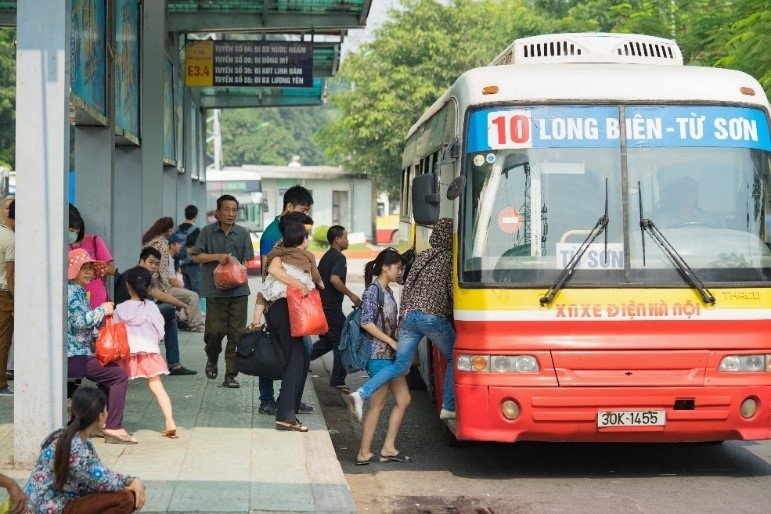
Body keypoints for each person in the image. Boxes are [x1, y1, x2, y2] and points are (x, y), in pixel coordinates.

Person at [348, 217, 456, 421]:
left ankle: (360, 394)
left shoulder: (422, 256)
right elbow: (451, 292)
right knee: (454, 356)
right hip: (432, 318)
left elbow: (407, 288)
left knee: (400, 366)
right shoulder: (449, 259)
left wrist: (402, 318)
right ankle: (448, 407)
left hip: (410, 317)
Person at [25, 387, 145, 514]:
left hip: (55, 502)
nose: (107, 413)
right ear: (99, 416)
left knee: (126, 494)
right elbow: (101, 480)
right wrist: (132, 481)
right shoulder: (75, 448)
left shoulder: (70, 435)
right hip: (49, 508)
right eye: (106, 409)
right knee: (125, 499)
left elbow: (100, 471)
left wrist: (129, 481)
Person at [66, 249, 136, 444]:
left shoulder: (77, 289)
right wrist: (102, 309)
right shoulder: (72, 291)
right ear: (73, 271)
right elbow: (80, 322)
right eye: (83, 269)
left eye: (90, 268)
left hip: (80, 351)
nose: (88, 272)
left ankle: (99, 424)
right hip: (75, 354)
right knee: (118, 376)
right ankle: (114, 427)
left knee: (109, 375)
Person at [261, 221, 324, 431]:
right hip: (284, 310)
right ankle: (286, 416)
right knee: (294, 361)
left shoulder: (301, 257)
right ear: (302, 239)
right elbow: (273, 270)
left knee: (301, 358)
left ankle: (290, 410)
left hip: (287, 311)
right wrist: (299, 284)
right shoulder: (281, 255)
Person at [257, 185, 313, 413]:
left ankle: (288, 399)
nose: (306, 214)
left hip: (295, 304)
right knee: (272, 351)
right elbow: (266, 269)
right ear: (288, 206)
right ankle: (268, 399)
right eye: (302, 208)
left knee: (297, 353)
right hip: (278, 303)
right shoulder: (272, 234)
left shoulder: (295, 229)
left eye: (308, 210)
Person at [353, 248, 412, 464]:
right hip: (377, 354)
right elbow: (366, 322)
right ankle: (363, 453)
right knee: (378, 403)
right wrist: (389, 340)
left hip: (390, 355)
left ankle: (388, 447)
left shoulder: (387, 291)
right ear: (385, 267)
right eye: (397, 267)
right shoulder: (373, 291)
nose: (399, 272)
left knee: (404, 399)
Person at [191, 195, 254, 389]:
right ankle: (212, 356)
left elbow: (246, 261)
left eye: (234, 210)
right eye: (227, 209)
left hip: (239, 291)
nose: (231, 213)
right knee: (214, 332)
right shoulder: (207, 232)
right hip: (215, 291)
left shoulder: (243, 233)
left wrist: (236, 273)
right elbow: (196, 257)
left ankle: (230, 375)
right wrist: (217, 257)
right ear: (218, 212)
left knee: (236, 334)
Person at [114, 267, 178, 439]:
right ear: (149, 287)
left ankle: (114, 423)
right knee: (158, 388)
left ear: (128, 286)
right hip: (149, 351)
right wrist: (155, 341)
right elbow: (160, 330)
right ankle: (170, 422)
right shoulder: (151, 307)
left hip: (126, 353)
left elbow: (115, 330)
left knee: (119, 388)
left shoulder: (119, 309)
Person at [114, 248, 197, 376]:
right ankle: (174, 364)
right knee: (169, 310)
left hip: (133, 315)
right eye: (151, 262)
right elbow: (162, 296)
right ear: (141, 260)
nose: (154, 267)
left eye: (157, 264)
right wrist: (185, 306)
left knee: (170, 316)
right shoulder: (138, 276)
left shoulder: (136, 274)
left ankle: (174, 364)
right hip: (129, 317)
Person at [309, 226, 361, 395]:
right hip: (331, 309)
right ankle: (338, 380)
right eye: (345, 237)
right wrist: (351, 295)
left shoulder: (326, 256)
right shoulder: (339, 257)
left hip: (323, 306)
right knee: (342, 342)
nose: (347, 240)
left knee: (327, 342)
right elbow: (334, 279)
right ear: (337, 239)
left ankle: (300, 359)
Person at [68, 205, 116, 310]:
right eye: (71, 230)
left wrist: (91, 269)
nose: (74, 234)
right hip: (72, 301)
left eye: (77, 231)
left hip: (96, 300)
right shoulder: (60, 246)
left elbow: (111, 269)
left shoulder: (94, 241)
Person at [164, 232, 204, 332]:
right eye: (179, 244)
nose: (181, 246)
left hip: (166, 288)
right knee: (193, 295)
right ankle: (195, 324)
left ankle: (187, 319)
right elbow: (172, 281)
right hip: (166, 289)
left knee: (188, 293)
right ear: (172, 245)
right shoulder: (167, 258)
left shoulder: (170, 258)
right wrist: (184, 291)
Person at [0, 200, 13, 395]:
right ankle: (1, 382)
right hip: (4, 293)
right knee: (3, 340)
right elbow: (11, 275)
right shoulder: (11, 238)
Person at [177, 204, 202, 294]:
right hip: (193, 263)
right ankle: (197, 307)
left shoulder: (178, 228)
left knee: (187, 290)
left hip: (182, 262)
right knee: (197, 289)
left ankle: (188, 307)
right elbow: (198, 248)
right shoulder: (196, 230)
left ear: (185, 215)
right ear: (196, 216)